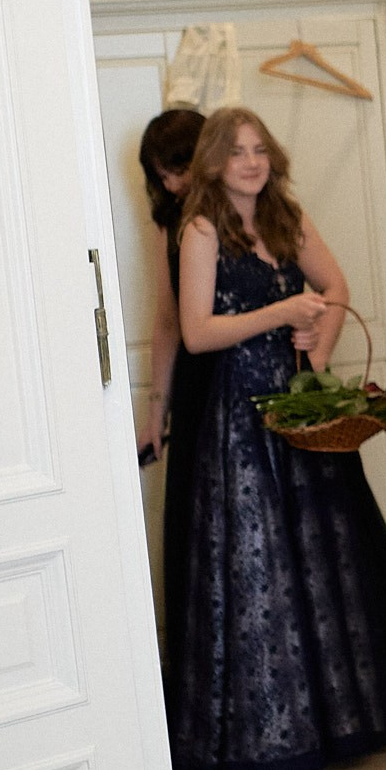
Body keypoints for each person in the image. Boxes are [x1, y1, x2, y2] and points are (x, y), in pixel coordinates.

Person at [171, 105, 386, 770]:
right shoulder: (201, 229)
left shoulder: (286, 217)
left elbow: (335, 288)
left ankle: (337, 720)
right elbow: (196, 333)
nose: (251, 162)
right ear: (214, 162)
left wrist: (320, 345)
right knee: (259, 562)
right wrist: (281, 312)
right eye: (237, 151)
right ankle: (274, 734)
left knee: (318, 550)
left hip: (299, 408)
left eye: (259, 149)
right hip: (240, 415)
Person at [137, 107, 212, 686]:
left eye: (177, 169)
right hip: (195, 384)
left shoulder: (241, 210)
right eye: (159, 174)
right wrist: (153, 410)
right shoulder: (171, 222)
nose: (169, 184)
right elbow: (167, 322)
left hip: (248, 377)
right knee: (198, 523)